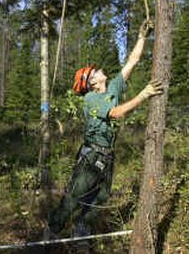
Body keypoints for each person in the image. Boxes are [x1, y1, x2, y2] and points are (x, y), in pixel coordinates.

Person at [45, 19, 163, 238]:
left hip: (107, 156)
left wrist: (142, 37)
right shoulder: (91, 98)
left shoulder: (113, 89)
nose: (100, 70)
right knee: (73, 197)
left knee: (100, 197)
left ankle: (81, 232)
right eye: (95, 71)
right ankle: (48, 236)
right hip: (92, 156)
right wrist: (143, 95)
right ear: (92, 82)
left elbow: (132, 62)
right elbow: (116, 113)